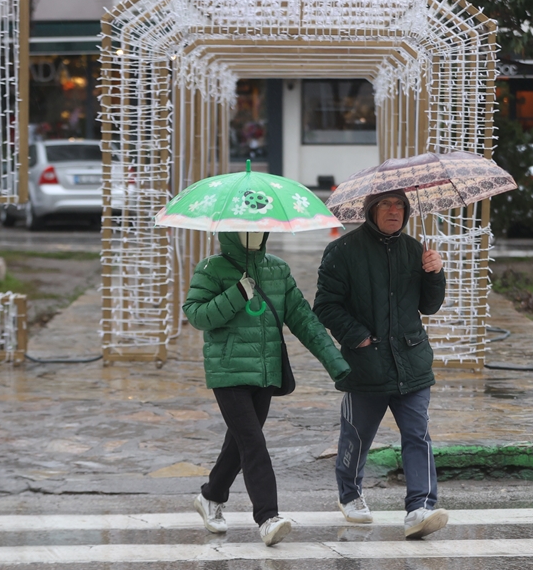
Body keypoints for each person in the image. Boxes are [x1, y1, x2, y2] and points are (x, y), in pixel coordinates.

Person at [183, 231, 350, 546]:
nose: (254, 233)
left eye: (260, 226)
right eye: (246, 226)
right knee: (253, 442)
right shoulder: (211, 268)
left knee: (240, 443)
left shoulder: (277, 269)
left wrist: (335, 362)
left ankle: (211, 496)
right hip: (228, 370)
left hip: (266, 371)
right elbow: (197, 315)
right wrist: (237, 293)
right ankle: (267, 516)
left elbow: (304, 320)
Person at [313, 191, 449, 539]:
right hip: (366, 364)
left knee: (418, 435)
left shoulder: (415, 250)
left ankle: (420, 507)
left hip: (411, 361)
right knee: (357, 436)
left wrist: (434, 273)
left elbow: (429, 306)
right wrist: (357, 335)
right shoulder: (342, 251)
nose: (394, 211)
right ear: (371, 210)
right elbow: (326, 306)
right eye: (387, 205)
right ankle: (350, 494)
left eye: (400, 205)